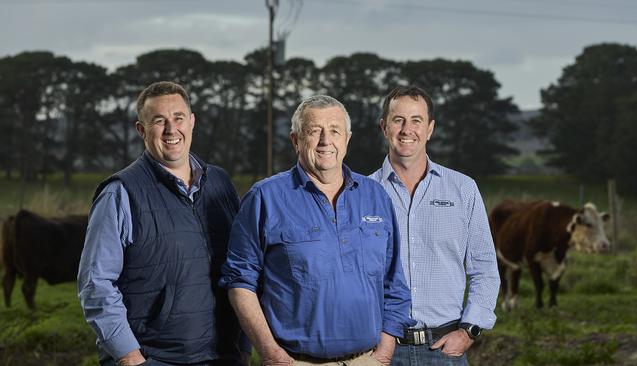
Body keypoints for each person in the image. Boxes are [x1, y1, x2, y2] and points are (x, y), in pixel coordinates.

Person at [219, 95, 414, 366]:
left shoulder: (376, 196)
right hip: (294, 361)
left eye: (335, 131)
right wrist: (271, 354)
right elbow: (239, 282)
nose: (325, 141)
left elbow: (394, 281)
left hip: (368, 360)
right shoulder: (265, 198)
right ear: (295, 140)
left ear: (347, 138)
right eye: (314, 131)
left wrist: (384, 352)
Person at [78, 81, 248, 366]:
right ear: (141, 130)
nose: (171, 130)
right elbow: (95, 283)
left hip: (223, 355)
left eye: (178, 118)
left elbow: (242, 268)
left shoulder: (220, 184)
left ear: (192, 121)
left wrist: (243, 345)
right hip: (153, 357)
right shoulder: (120, 193)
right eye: (159, 121)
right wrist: (129, 355)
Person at [369, 86, 500, 366]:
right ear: (384, 127)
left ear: (430, 129)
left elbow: (485, 268)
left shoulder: (463, 189)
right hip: (379, 351)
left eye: (416, 120)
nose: (407, 129)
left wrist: (469, 330)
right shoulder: (362, 193)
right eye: (398, 120)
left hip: (444, 351)